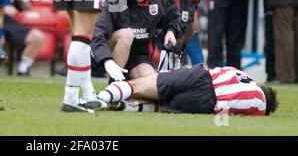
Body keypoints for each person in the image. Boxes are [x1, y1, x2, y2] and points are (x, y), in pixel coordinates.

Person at [91, 0, 183, 82]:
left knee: (152, 81)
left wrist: (171, 32)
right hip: (111, 50)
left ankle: (129, 92)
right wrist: (106, 60)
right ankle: (113, 86)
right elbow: (100, 31)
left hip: (139, 55)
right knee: (127, 35)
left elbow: (175, 19)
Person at [96, 64, 278, 116]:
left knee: (139, 85)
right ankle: (126, 108)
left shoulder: (243, 75)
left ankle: (101, 97)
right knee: (160, 107)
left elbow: (221, 69)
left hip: (201, 76)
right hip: (207, 103)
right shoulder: (259, 106)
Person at [3, 0, 45, 76]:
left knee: (38, 36)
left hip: (12, 23)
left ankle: (23, 70)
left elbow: (28, 7)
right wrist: (1, 8)